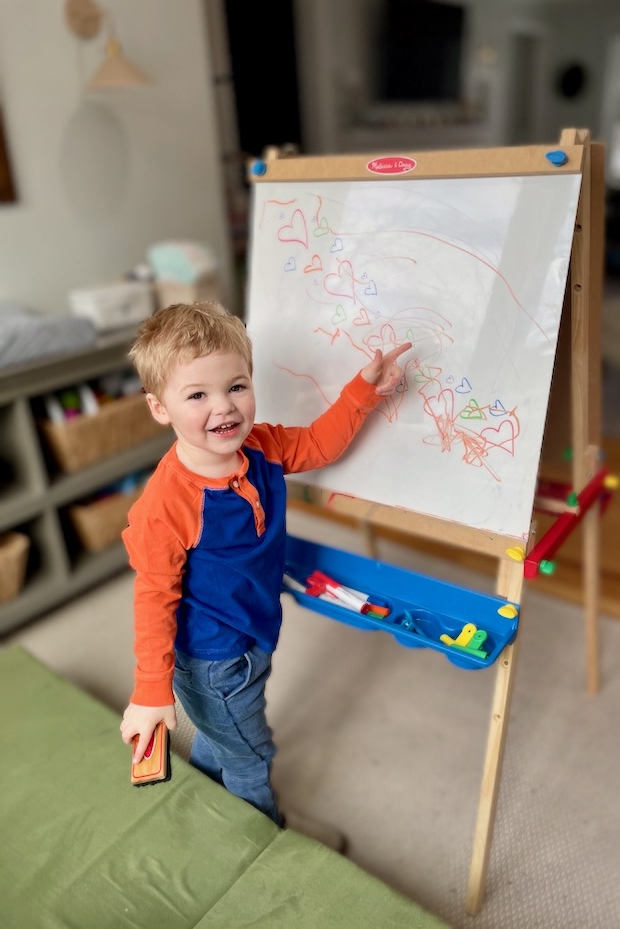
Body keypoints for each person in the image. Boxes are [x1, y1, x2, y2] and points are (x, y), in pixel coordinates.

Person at [119, 301, 411, 831]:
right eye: (197, 395)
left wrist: (362, 391)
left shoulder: (263, 445)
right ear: (159, 408)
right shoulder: (167, 504)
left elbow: (320, 445)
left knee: (219, 734)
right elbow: (153, 598)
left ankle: (207, 798)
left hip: (251, 632)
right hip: (213, 659)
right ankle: (264, 842)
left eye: (235, 386)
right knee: (249, 758)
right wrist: (149, 692)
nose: (224, 408)